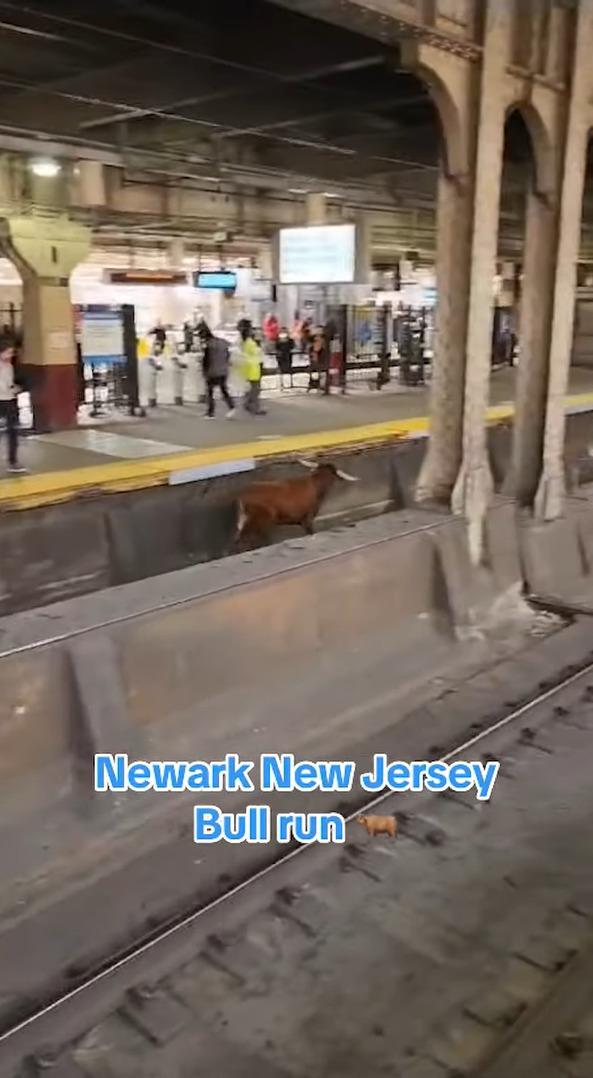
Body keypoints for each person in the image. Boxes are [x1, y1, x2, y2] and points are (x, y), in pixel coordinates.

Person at [0, 335, 27, 474]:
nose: (11, 355)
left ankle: (13, 461)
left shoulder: (9, 365)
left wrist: (14, 388)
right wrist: (12, 389)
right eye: (8, 352)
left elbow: (9, 383)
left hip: (9, 400)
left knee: (13, 431)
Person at [197, 324, 235, 418]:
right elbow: (227, 355)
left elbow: (207, 360)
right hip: (223, 370)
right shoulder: (221, 342)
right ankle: (232, 406)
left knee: (209, 392)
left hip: (212, 371)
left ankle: (210, 412)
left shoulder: (208, 345)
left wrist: (204, 371)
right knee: (223, 390)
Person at [237, 319, 266, 415]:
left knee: (253, 388)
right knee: (255, 389)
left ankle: (250, 405)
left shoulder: (244, 341)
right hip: (252, 367)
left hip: (249, 367)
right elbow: (256, 353)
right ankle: (252, 406)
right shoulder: (249, 342)